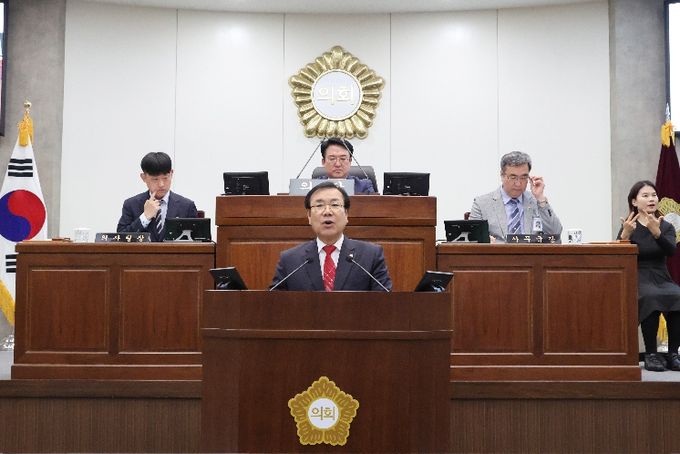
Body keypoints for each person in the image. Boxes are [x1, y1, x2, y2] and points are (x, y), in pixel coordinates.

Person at [270, 181, 391, 291]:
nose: (327, 212)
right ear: (309, 216)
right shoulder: (290, 260)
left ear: (346, 214)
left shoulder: (371, 255)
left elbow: (385, 302)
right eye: (319, 205)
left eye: (335, 205)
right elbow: (274, 303)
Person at [618, 180, 680, 372]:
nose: (651, 199)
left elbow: (671, 251)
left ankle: (673, 354)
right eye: (645, 196)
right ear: (634, 202)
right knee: (650, 297)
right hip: (637, 275)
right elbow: (617, 256)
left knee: (677, 296)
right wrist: (624, 236)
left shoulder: (666, 226)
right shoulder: (630, 225)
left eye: (653, 195)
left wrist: (657, 233)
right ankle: (651, 354)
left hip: (661, 275)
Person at [469, 151, 562, 242]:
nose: (518, 183)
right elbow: (472, 239)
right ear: (502, 175)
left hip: (531, 252)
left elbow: (556, 234)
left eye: (523, 177)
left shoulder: (536, 202)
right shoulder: (481, 204)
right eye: (513, 177)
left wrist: (540, 198)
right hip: (498, 252)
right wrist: (485, 240)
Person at [117, 152, 198, 242]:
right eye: (155, 179)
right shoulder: (131, 204)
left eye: (165, 178)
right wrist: (145, 217)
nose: (161, 184)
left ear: (171, 173)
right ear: (143, 177)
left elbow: (197, 241)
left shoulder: (187, 206)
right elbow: (120, 239)